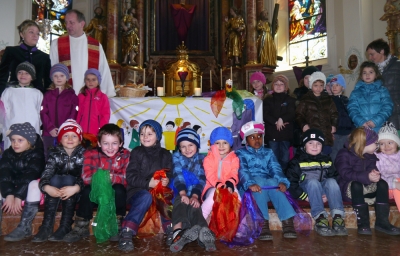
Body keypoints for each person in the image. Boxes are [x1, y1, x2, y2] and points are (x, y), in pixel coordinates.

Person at [63, 123, 130, 243]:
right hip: (97, 191)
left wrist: (112, 178)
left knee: (120, 189)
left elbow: (127, 178)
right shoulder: (90, 154)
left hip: (114, 192)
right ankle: (81, 225)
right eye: (105, 143)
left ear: (120, 144)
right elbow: (86, 177)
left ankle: (116, 224)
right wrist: (102, 178)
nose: (110, 147)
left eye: (114, 143)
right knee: (87, 191)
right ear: (99, 143)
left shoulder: (125, 155)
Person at [236, 121, 297, 240]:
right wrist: (250, 183)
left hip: (268, 188)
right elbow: (242, 171)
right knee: (259, 180)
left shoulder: (268, 152)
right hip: (249, 189)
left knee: (274, 182)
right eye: (252, 137)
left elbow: (276, 168)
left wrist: (282, 182)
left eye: (259, 136)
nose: (257, 140)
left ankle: (287, 220)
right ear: (245, 140)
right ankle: (262, 223)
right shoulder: (240, 153)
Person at [335, 127, 400, 235]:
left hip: (367, 187)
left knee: (382, 183)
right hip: (349, 189)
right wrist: (367, 176)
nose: (377, 146)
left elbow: (372, 170)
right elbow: (345, 173)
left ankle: (382, 222)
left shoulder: (371, 156)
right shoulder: (344, 154)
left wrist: (374, 174)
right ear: (366, 143)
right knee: (356, 185)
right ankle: (363, 224)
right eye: (376, 143)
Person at [119, 120, 172, 252]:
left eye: (149, 134)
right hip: (138, 191)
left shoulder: (165, 154)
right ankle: (126, 231)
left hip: (158, 191)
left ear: (158, 136)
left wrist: (166, 180)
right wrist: (148, 183)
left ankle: (171, 230)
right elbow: (131, 176)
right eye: (142, 134)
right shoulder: (137, 152)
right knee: (146, 196)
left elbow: (169, 173)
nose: (145, 137)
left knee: (165, 196)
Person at [285, 129, 347, 236]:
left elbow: (334, 176)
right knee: (313, 182)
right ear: (304, 145)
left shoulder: (326, 159)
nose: (315, 146)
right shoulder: (297, 161)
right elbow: (291, 183)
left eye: (318, 144)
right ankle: (320, 218)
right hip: (305, 191)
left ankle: (338, 217)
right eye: (310, 143)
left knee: (332, 181)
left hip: (321, 190)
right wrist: (305, 197)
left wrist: (328, 195)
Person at [32, 120, 85, 242]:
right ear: (60, 139)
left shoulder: (84, 155)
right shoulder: (54, 154)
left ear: (80, 139)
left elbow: (86, 177)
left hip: (76, 192)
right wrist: (46, 187)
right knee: (54, 178)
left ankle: (65, 225)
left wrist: (76, 187)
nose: (70, 138)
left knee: (69, 179)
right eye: (66, 135)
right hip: (55, 189)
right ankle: (47, 226)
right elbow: (46, 174)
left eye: (74, 136)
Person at [168, 128, 216, 252]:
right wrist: (183, 193)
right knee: (181, 203)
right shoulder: (176, 157)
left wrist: (195, 196)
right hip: (179, 191)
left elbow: (201, 178)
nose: (187, 149)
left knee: (195, 208)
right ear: (179, 148)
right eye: (183, 146)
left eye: (190, 145)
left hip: (194, 193)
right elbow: (178, 176)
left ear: (197, 146)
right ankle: (177, 233)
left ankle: (204, 235)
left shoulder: (201, 158)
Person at [50, 9, 115, 97]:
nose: (68, 26)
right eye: (66, 22)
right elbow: (53, 70)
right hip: (64, 99)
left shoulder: (96, 45)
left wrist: (107, 95)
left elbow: (103, 71)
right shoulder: (56, 44)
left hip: (89, 99)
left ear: (82, 24)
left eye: (71, 22)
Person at [0, 122, 45, 241]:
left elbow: (29, 176)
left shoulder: (37, 155)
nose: (15, 143)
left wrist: (18, 195)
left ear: (29, 142)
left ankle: (25, 226)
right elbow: (5, 174)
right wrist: (9, 194)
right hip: (12, 193)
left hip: (29, 195)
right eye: (13, 140)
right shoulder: (8, 154)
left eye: (20, 140)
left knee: (34, 184)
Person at [0, 20, 51, 95]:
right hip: (14, 93)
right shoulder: (11, 51)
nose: (35, 35)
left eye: (37, 33)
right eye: (31, 32)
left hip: (36, 96)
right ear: (22, 34)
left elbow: (48, 82)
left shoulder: (44, 57)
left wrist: (47, 101)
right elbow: (2, 76)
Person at [1, 62, 43, 150]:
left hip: (32, 126)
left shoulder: (37, 93)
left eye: (27, 73)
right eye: (20, 72)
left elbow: (40, 111)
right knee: (12, 150)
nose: (23, 75)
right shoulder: (9, 91)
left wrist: (38, 123)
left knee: (30, 151)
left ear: (32, 77)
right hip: (12, 125)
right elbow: (2, 110)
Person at [41, 63, 78, 159]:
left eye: (62, 75)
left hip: (66, 133)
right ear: (52, 78)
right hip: (49, 133)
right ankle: (49, 174)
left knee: (65, 155)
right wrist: (50, 128)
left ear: (67, 78)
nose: (59, 78)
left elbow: (74, 113)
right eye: (55, 76)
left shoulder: (72, 95)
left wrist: (65, 128)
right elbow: (43, 112)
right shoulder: (47, 95)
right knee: (49, 155)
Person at [296, 71, 338, 155]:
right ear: (311, 85)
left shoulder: (328, 99)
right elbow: (299, 114)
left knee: (326, 156)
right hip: (312, 134)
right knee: (312, 156)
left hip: (326, 134)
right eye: (316, 85)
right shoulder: (305, 99)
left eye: (321, 85)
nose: (318, 88)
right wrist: (303, 124)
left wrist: (334, 125)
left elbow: (334, 113)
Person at [201, 127, 240, 219]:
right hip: (212, 186)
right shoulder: (208, 158)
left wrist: (229, 183)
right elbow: (209, 175)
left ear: (230, 144)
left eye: (225, 143)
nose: (221, 146)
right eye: (217, 143)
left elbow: (234, 173)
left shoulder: (234, 158)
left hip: (229, 185)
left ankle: (240, 226)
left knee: (237, 198)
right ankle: (201, 220)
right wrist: (219, 185)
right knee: (213, 196)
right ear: (212, 144)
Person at [347, 61, 393, 133]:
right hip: (361, 129)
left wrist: (376, 121)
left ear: (376, 75)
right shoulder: (355, 92)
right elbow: (352, 109)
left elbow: (387, 107)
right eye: (364, 73)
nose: (367, 75)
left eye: (371, 72)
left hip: (379, 128)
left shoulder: (382, 90)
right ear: (361, 76)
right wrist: (361, 122)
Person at [366, 39, 400, 130]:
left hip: (395, 113)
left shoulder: (397, 66)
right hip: (377, 114)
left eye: (372, 54)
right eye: (369, 55)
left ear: (382, 51)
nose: (370, 58)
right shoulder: (371, 70)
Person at [263, 75, 295, 170]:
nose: (279, 86)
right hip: (272, 133)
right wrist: (276, 121)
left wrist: (282, 119)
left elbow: (292, 113)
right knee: (274, 158)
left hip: (285, 134)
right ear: (273, 86)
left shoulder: (290, 100)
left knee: (285, 159)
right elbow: (265, 114)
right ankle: (275, 178)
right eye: (276, 84)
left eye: (281, 84)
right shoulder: (268, 100)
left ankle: (283, 178)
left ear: (286, 87)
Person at [76, 68, 110, 136]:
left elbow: (106, 115)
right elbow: (77, 113)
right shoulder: (80, 96)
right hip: (81, 131)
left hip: (96, 131)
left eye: (93, 80)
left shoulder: (103, 97)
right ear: (85, 81)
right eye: (88, 79)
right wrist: (77, 126)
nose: (90, 82)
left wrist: (102, 129)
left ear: (98, 81)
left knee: (94, 146)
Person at [375, 122, 400, 213]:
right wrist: (394, 183)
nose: (387, 146)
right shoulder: (377, 157)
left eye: (390, 142)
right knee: (397, 189)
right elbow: (378, 178)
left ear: (397, 143)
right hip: (387, 188)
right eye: (382, 144)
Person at [329, 74, 354, 162]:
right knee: (334, 153)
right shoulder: (329, 101)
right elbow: (326, 117)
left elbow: (352, 115)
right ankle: (334, 173)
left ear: (342, 87)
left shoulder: (347, 100)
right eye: (332, 85)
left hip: (347, 133)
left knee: (347, 154)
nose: (334, 87)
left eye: (337, 85)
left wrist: (353, 130)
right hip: (335, 132)